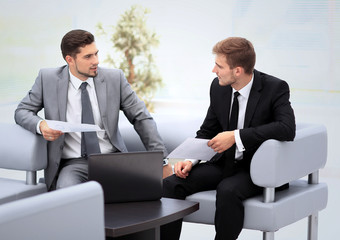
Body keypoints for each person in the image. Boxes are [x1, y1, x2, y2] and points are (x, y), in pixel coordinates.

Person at [161, 37, 296, 240]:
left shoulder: (275, 88)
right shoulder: (218, 87)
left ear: (238, 70)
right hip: (224, 163)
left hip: (258, 169)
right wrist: (190, 160)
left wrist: (235, 137)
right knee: (170, 185)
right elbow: (208, 130)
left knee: (227, 190)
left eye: (219, 66)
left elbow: (287, 128)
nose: (213, 70)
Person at [15, 29, 170, 191]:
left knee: (144, 193)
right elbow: (22, 111)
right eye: (88, 57)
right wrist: (41, 125)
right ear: (70, 60)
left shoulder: (114, 79)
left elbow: (141, 118)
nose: (95, 61)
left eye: (96, 54)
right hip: (73, 164)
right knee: (67, 194)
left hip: (111, 160)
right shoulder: (47, 79)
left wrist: (161, 160)